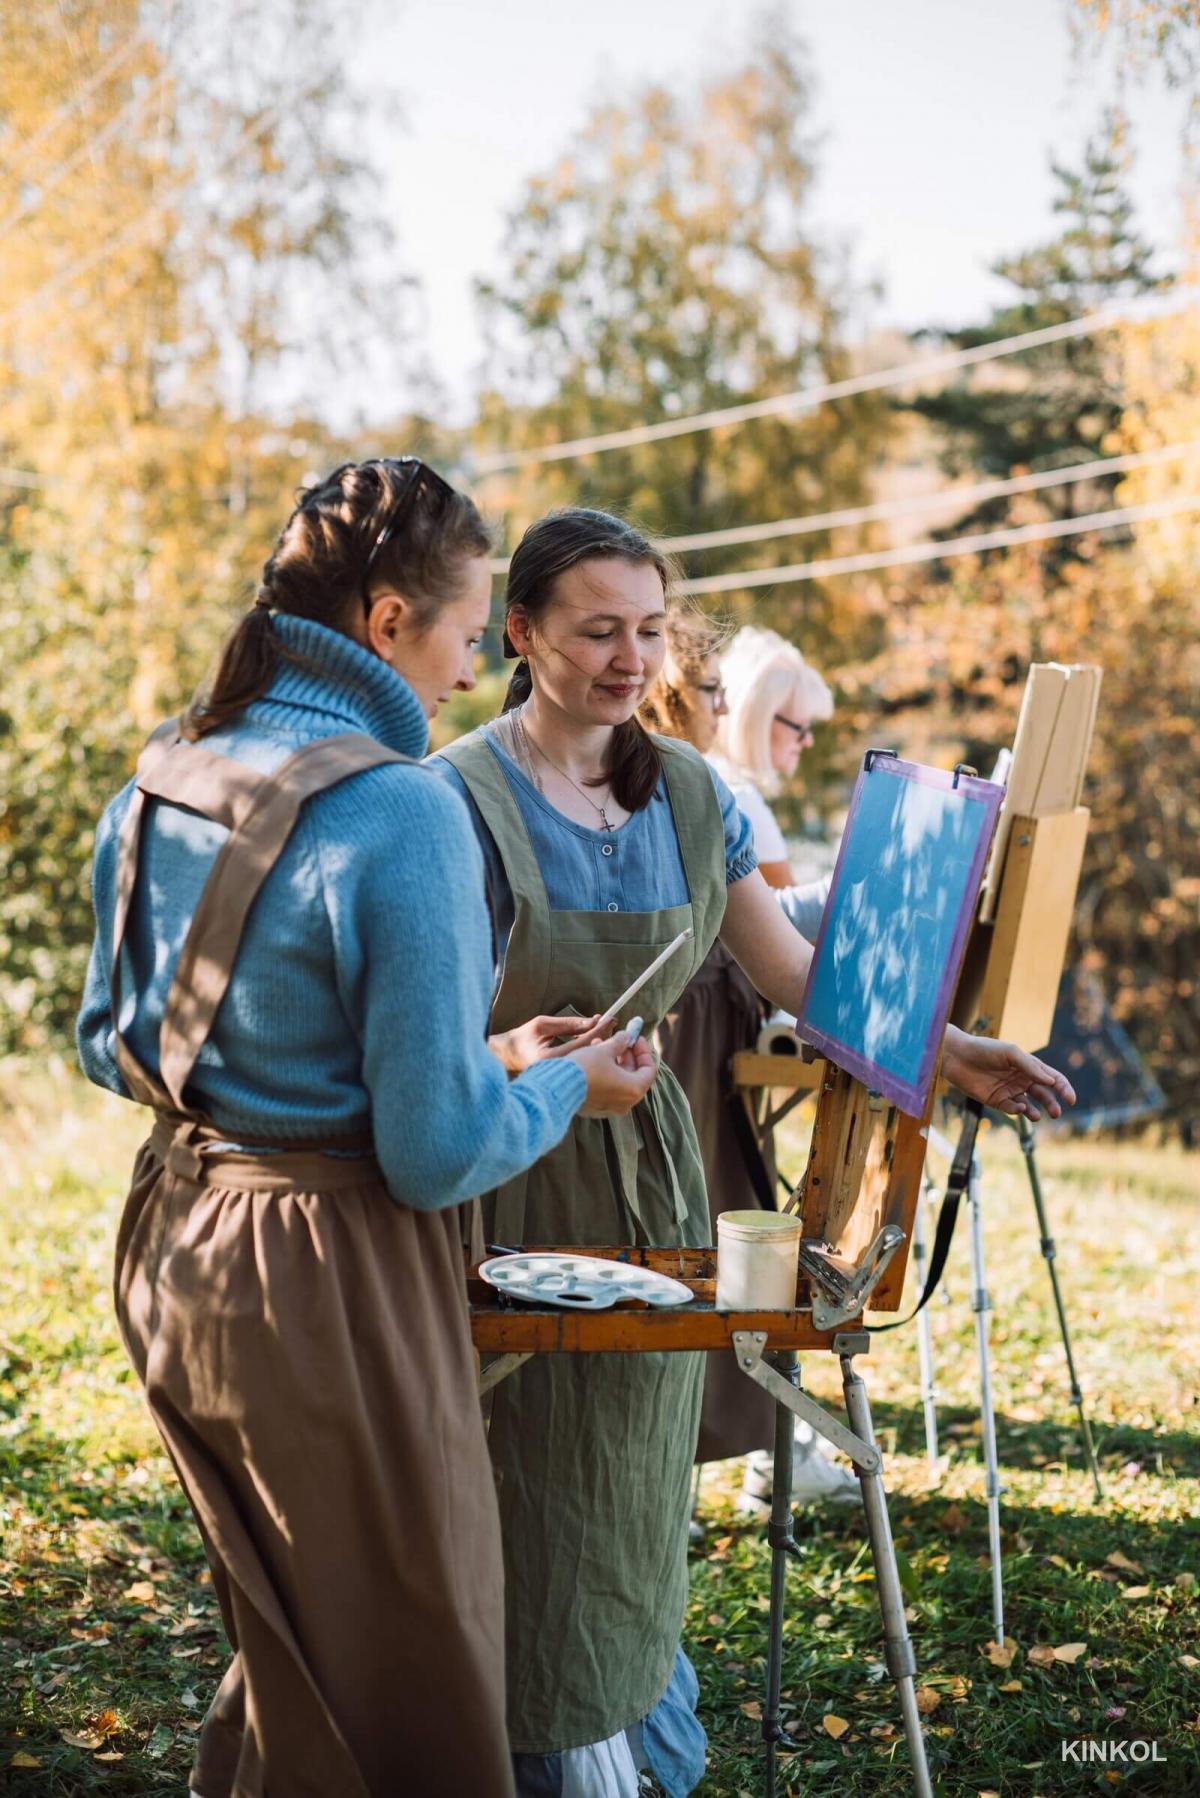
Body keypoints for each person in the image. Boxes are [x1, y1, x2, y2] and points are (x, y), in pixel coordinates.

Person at [431, 507, 1075, 1798]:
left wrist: (949, 1050)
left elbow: (797, 976)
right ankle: (504, 1748)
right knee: (519, 1477)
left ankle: (616, 1737)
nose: (629, 657)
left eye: (649, 629)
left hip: (655, 1177)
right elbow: (433, 1030)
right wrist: (531, 1061)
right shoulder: (451, 797)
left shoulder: (688, 791)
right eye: (597, 628)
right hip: (507, 1176)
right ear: (520, 632)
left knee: (627, 1476)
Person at [75, 460, 654, 1798]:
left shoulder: (166, 768)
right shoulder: (401, 806)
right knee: (417, 1680)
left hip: (177, 1242)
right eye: (464, 631)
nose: (468, 668)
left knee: (292, 1646)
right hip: (330, 1276)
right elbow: (437, 1151)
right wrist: (567, 1086)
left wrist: (473, 1054)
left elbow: (111, 1037)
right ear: (388, 619)